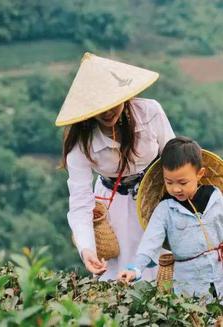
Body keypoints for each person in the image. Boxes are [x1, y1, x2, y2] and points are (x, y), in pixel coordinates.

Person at [58, 52, 175, 280]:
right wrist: (87, 249)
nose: (107, 112)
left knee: (163, 272)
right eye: (99, 106)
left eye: (112, 103)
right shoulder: (81, 143)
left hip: (155, 199)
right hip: (114, 208)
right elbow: (80, 202)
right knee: (117, 275)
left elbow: (174, 159)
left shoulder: (150, 113)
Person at [118, 137, 223, 310]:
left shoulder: (218, 201)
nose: (176, 189)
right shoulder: (165, 210)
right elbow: (150, 243)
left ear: (199, 174)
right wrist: (135, 269)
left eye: (183, 182)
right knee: (194, 316)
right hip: (189, 282)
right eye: (169, 182)